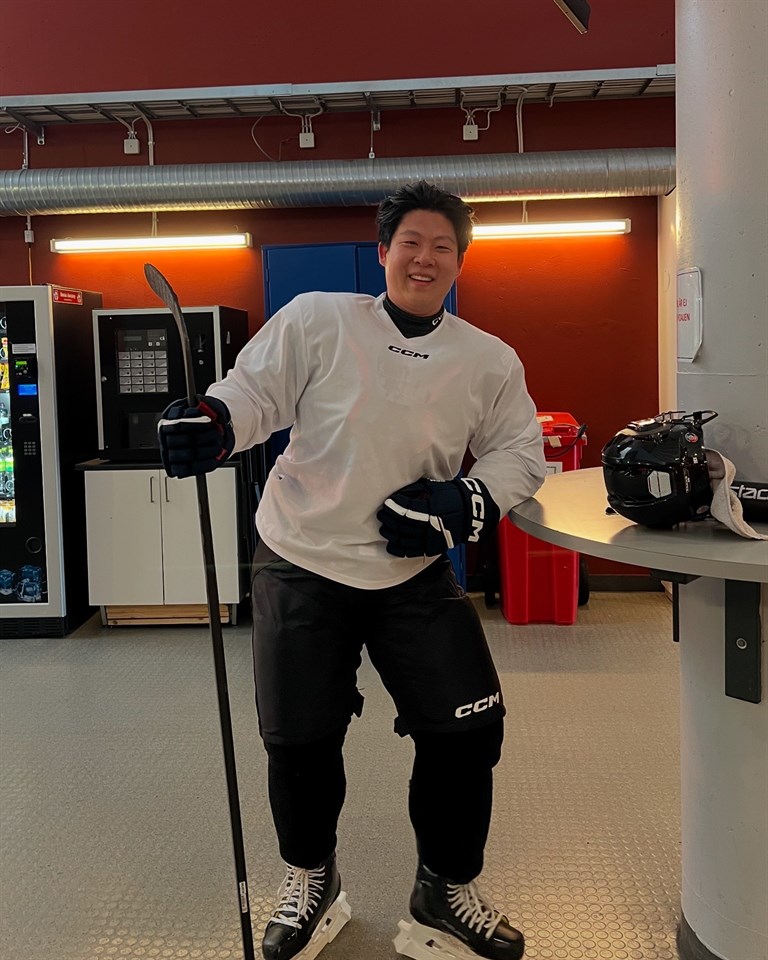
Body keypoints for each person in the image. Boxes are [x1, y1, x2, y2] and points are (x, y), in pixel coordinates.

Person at [157, 181, 546, 960]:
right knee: (299, 741)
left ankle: (443, 891)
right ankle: (312, 879)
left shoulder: (487, 359)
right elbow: (254, 393)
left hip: (413, 573)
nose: (425, 258)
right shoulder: (319, 320)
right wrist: (216, 422)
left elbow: (519, 451)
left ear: (460, 261)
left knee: (468, 731)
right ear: (384, 252)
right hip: (302, 558)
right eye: (411, 243)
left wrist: (468, 498)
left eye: (442, 246)